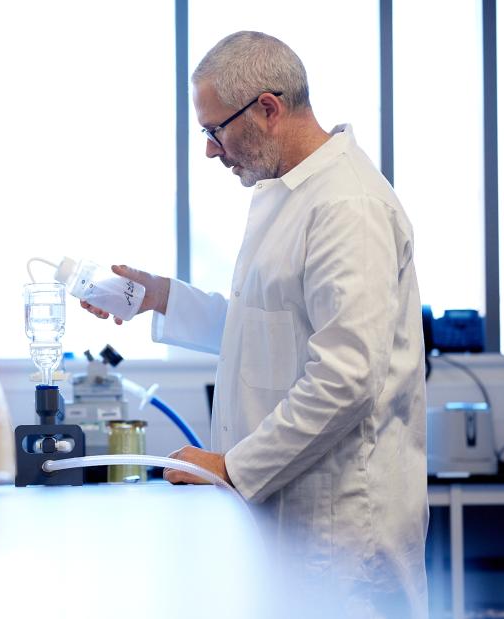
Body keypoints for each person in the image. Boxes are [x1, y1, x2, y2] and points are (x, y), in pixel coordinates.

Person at [82, 31, 427, 618]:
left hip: (339, 540)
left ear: (267, 109)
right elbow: (265, 332)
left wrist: (232, 466)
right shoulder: (290, 195)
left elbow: (344, 379)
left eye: (216, 131)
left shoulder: (346, 206)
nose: (212, 151)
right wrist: (158, 298)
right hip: (287, 528)